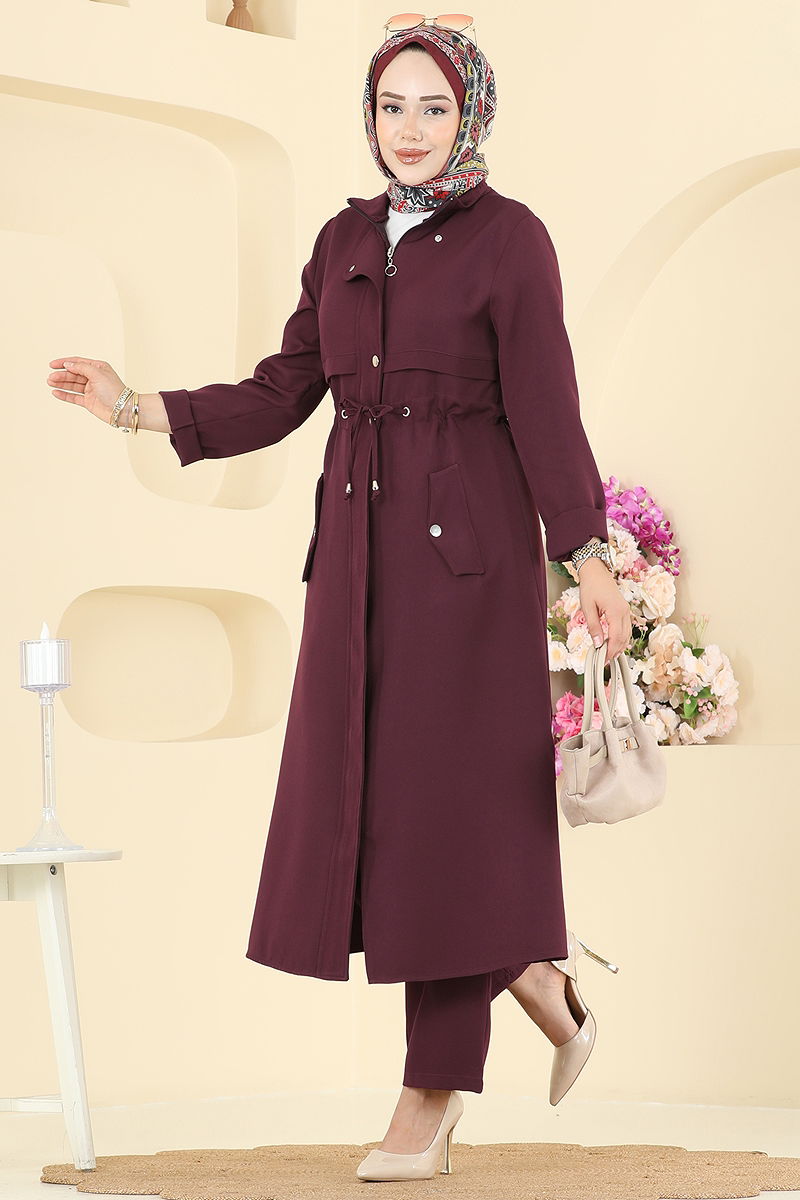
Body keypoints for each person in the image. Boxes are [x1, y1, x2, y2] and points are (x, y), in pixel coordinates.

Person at [46, 16, 632, 1184]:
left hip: (467, 569)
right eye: (389, 107)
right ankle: (535, 975)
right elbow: (282, 392)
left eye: (432, 108)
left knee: (451, 818)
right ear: (368, 117)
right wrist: (134, 408)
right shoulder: (343, 238)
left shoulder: (511, 239)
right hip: (357, 562)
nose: (408, 130)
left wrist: (587, 557)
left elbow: (544, 404)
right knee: (382, 811)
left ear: (469, 115)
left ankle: (429, 1096)